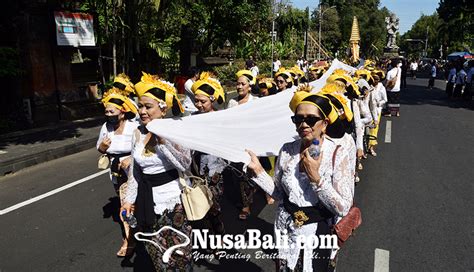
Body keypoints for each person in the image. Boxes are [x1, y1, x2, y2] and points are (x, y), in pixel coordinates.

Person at [246, 87, 356, 272]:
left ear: (325, 123)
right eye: (298, 119)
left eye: (311, 119)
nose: (304, 124)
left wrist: (316, 179)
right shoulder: (287, 150)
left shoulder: (338, 153)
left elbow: (344, 207)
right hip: (284, 228)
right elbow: (280, 193)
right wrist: (258, 172)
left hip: (316, 232)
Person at [121, 72, 193, 271]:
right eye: (140, 106)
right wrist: (128, 200)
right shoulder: (137, 133)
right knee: (159, 257)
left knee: (180, 256)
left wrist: (162, 141)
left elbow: (184, 165)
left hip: (174, 203)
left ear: (162, 108)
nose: (142, 111)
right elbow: (135, 172)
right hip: (146, 203)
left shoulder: (175, 130)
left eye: (148, 106)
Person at [97, 74, 139, 257]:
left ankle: (130, 239)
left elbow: (144, 148)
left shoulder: (133, 127)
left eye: (112, 112)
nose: (108, 115)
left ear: (122, 112)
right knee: (125, 203)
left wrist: (131, 158)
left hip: (133, 169)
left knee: (131, 203)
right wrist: (103, 147)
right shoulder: (106, 127)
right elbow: (99, 147)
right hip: (115, 170)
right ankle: (131, 236)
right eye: (106, 112)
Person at [190, 72, 227, 246]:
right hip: (197, 170)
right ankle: (210, 237)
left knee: (213, 205)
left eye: (202, 101)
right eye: (196, 101)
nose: (198, 104)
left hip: (215, 170)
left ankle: (219, 233)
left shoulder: (220, 119)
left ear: (212, 100)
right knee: (200, 205)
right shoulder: (192, 118)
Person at [227, 70, 262, 220]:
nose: (239, 86)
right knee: (237, 175)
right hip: (235, 143)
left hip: (251, 144)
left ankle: (247, 204)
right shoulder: (232, 102)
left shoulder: (256, 102)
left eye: (243, 84)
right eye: (238, 83)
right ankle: (244, 201)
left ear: (250, 86)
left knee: (247, 174)